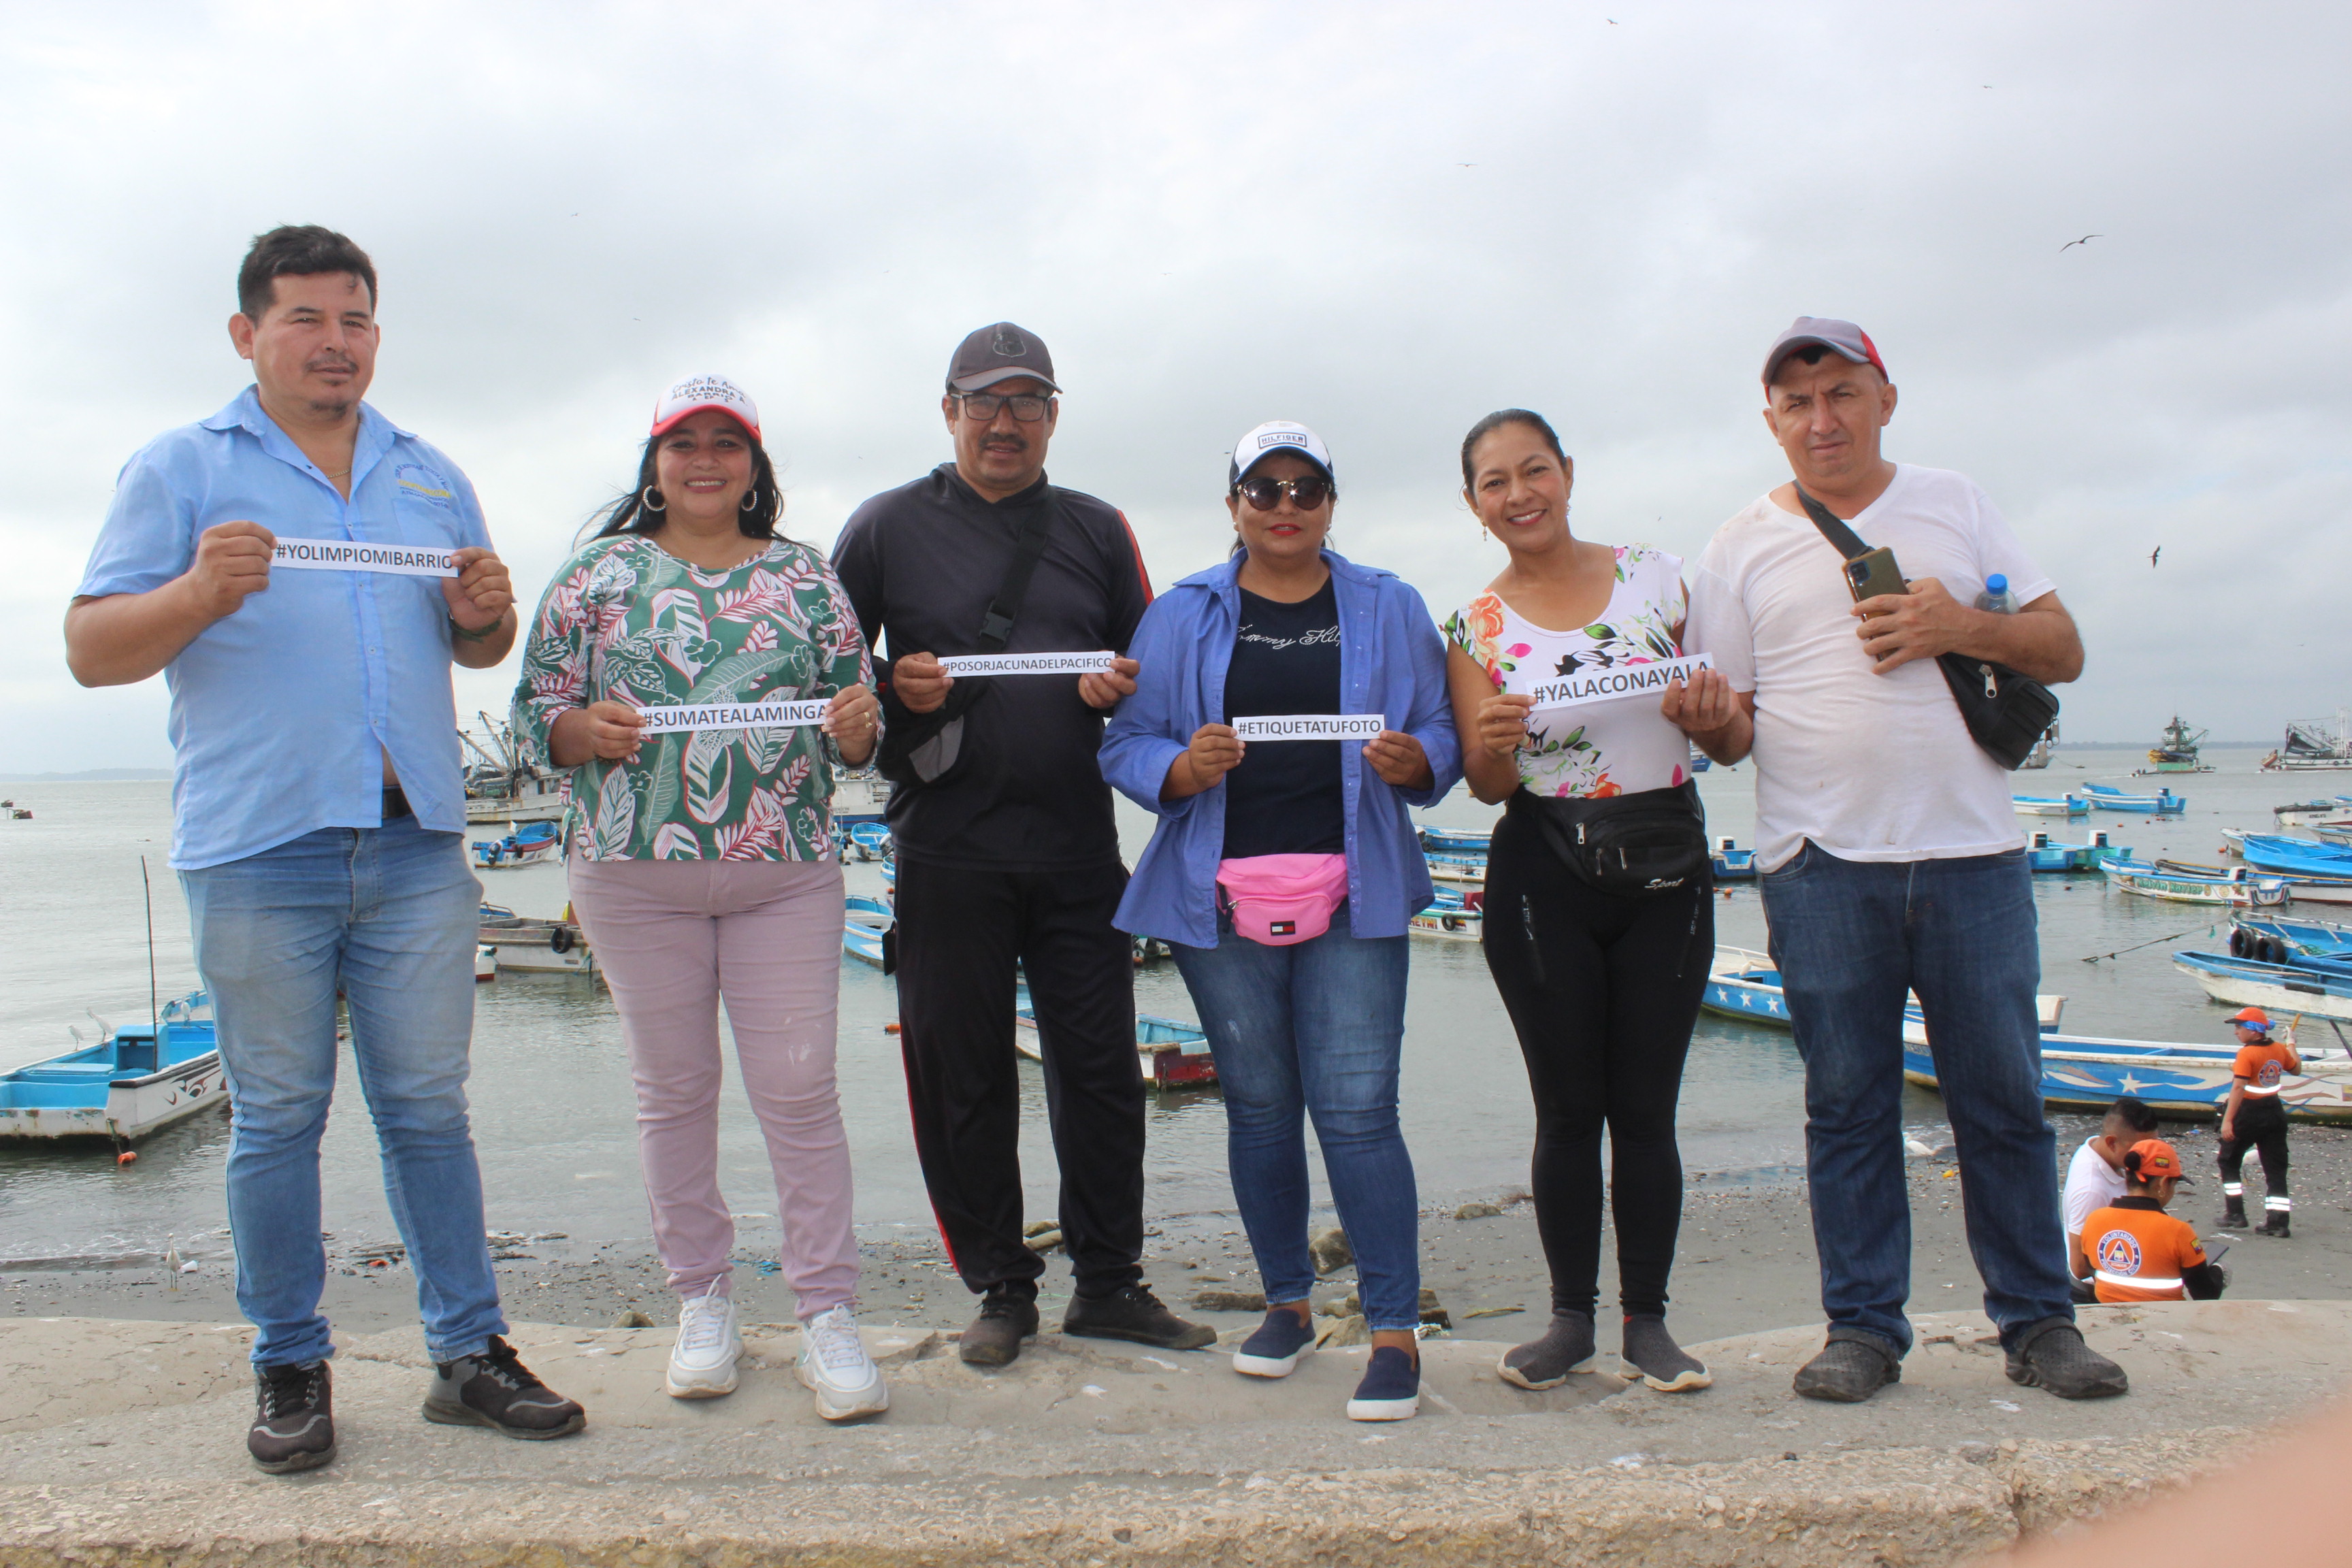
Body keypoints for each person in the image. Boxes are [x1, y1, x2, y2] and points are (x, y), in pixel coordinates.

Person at [63, 226, 584, 1473]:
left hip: (415, 845)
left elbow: (476, 647)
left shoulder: (429, 473)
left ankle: (468, 1352)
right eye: (306, 318)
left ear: (377, 336)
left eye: (355, 320)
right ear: (248, 334)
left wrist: (487, 618)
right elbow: (89, 650)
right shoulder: (180, 467)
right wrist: (196, 593)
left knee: (429, 1113)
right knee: (277, 1119)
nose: (335, 342)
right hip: (258, 845)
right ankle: (289, 1361)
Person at [1677, 316, 2127, 1403]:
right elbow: (1734, 732)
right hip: (1820, 863)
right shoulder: (1737, 545)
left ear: (1885, 398)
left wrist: (1956, 625)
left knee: (2004, 1101)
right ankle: (1865, 1331)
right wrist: (1703, 719)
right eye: (1798, 402)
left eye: (1842, 392)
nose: (1822, 418)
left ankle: (2039, 1323)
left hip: (1975, 857)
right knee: (1847, 1106)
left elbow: (2063, 647)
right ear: (1772, 421)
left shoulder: (1955, 503)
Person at [830, 323, 1209, 1366]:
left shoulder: (1097, 527)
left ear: (1053, 416)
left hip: (1077, 845)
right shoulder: (885, 526)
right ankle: (1001, 1286)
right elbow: (829, 669)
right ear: (948, 411)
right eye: (985, 402)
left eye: (1028, 402)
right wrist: (891, 687)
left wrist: (1117, 688)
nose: (1006, 422)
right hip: (946, 848)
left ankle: (1110, 1282)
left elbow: (1147, 673)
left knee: (1101, 1076)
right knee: (962, 1077)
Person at [511, 374, 889, 1420]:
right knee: (673, 1091)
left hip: (785, 872)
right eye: (685, 443)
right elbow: (535, 712)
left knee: (800, 1091)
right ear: (656, 464)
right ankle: (702, 1301)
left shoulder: (807, 578)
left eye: (728, 442)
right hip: (631, 874)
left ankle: (827, 1312)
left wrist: (862, 728)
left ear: (755, 465)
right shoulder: (595, 575)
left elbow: (859, 728)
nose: (706, 460)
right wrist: (578, 731)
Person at [1102, 421, 1462, 1421]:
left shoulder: (1390, 604)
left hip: (1358, 890)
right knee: (1259, 1110)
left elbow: (1440, 731)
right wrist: (1181, 769)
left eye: (1307, 488)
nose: (1286, 506)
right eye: (1264, 489)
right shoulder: (1180, 612)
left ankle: (1394, 1332)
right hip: (1215, 897)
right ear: (1234, 505)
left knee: (1359, 1113)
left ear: (1331, 502)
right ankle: (1287, 1305)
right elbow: (1126, 741)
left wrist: (1422, 763)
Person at [1443, 409, 1730, 1394]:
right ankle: (1570, 1321)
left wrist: (1711, 716)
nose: (1519, 494)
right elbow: (1485, 782)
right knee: (1567, 1111)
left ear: (1567, 472)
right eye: (1495, 482)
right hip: (1543, 872)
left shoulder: (1662, 578)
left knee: (1646, 1111)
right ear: (1474, 505)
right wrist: (1493, 740)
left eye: (1535, 470)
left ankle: (1650, 1323)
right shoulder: (1473, 625)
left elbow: (1733, 735)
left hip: (1667, 862)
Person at [2079, 1140, 2224, 1303]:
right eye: (2174, 1184)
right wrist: (2219, 1272)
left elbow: (2091, 1270)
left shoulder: (2094, 1220)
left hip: (2109, 1313)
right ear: (2163, 1183)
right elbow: (2206, 1294)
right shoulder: (2178, 1232)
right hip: (2165, 1316)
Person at [2063, 1096, 2161, 1294]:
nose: (2149, 1157)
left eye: (2153, 1146)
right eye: (2140, 1151)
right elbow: (2079, 1267)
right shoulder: (2092, 1191)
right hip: (2096, 1292)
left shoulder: (2097, 1148)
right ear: (2112, 1143)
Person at [2217, 1006, 2298, 1238]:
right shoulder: (2279, 1049)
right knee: (2275, 1169)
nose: (2236, 1032)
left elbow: (2239, 1087)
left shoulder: (2247, 1054)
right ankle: (2278, 1222)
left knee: (2228, 1160)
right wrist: (2291, 1043)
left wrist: (2227, 1122)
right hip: (2274, 1111)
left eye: (2239, 1027)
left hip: (2249, 1112)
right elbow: (2296, 1068)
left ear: (2253, 1031)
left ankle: (2235, 1214)